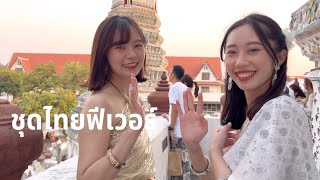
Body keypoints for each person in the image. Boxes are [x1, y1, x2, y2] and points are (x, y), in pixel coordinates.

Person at [176, 13, 319, 179]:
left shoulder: (280, 111)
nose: (240, 62)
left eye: (253, 50)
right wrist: (193, 146)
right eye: (231, 52)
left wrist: (215, 152)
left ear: (279, 58)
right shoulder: (253, 117)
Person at [77, 15, 155, 180]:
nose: (132, 54)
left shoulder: (128, 96)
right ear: (103, 53)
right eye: (120, 47)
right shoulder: (99, 103)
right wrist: (132, 132)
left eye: (138, 45)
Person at [168, 65, 190, 180]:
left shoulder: (174, 88)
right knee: (185, 162)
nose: (168, 74)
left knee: (176, 164)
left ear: (173, 74)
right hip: (186, 131)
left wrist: (171, 129)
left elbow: (175, 109)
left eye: (169, 72)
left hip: (177, 131)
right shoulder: (185, 88)